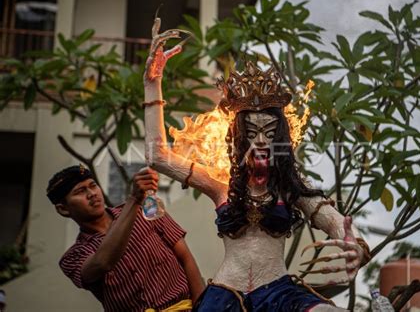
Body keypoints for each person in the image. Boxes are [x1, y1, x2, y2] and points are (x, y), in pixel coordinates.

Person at [143, 20, 371, 311]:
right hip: (224, 297)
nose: (260, 141)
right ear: (239, 140)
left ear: (280, 139)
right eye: (251, 134)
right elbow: (157, 155)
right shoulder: (219, 185)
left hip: (279, 294)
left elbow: (339, 225)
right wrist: (153, 84)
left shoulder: (292, 190)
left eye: (268, 132)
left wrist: (354, 246)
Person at [47, 165, 204, 312]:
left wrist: (203, 306)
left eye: (93, 185)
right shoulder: (73, 258)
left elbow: (185, 257)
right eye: (80, 191)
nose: (92, 194)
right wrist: (134, 199)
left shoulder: (146, 208)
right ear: (63, 209)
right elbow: (103, 262)